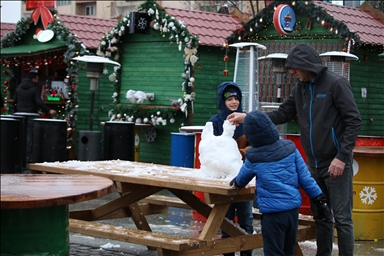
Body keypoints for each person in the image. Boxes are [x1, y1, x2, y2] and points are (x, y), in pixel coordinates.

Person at [227, 43, 362, 256]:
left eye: (295, 68)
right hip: (313, 163)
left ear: (306, 65)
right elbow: (281, 114)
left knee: (342, 218)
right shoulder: (299, 89)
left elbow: (354, 121)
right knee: (322, 217)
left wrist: (342, 157)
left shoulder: (336, 85)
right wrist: (248, 116)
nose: (292, 72)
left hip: (336, 163)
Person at [230, 110, 332, 256]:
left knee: (274, 252)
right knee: (288, 250)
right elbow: (306, 178)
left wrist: (237, 183)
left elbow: (241, 179)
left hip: (272, 215)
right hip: (291, 212)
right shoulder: (290, 148)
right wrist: (319, 199)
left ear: (251, 135)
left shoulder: (253, 156)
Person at [208, 81, 253, 256]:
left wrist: (243, 152)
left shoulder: (247, 121)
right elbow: (210, 148)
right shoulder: (215, 122)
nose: (234, 102)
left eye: (236, 98)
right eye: (230, 99)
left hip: (245, 175)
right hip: (223, 178)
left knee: (246, 221)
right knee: (226, 221)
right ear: (222, 101)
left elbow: (255, 145)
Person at [14, 68, 57, 162]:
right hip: (30, 113)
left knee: (20, 135)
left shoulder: (19, 87)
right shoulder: (34, 88)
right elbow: (38, 102)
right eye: (37, 78)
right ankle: (27, 156)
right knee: (29, 135)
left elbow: (15, 100)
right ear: (34, 78)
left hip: (19, 114)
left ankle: (18, 155)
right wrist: (48, 110)